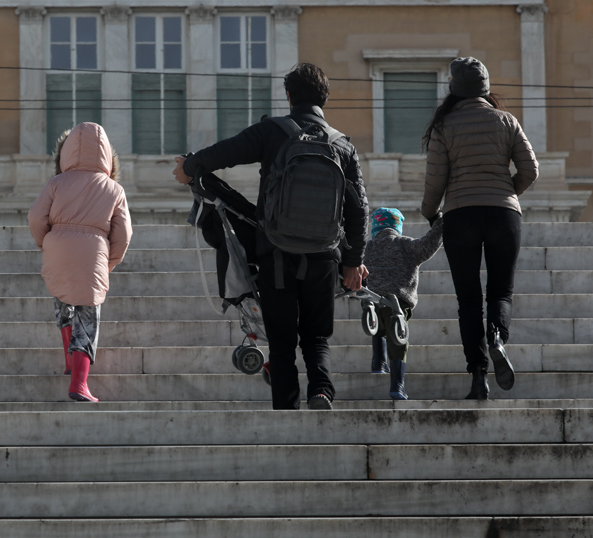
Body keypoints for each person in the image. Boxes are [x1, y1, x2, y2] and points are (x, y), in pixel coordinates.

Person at [173, 63, 369, 411]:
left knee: (281, 342)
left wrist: (189, 167)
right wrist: (354, 262)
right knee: (316, 337)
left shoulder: (272, 132)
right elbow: (359, 209)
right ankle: (321, 391)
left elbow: (224, 153)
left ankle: (286, 411)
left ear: (289, 96)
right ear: (325, 98)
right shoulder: (343, 146)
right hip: (325, 254)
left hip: (276, 252)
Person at [421, 57, 538, 400]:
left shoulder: (445, 125)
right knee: (501, 292)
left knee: (468, 300)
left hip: (461, 215)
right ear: (486, 87)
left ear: (454, 90)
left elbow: (435, 181)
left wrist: (431, 213)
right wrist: (505, 193)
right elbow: (530, 169)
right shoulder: (507, 121)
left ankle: (478, 377)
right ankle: (498, 337)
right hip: (504, 215)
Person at [28, 122, 132, 403]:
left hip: (57, 248)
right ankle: (79, 383)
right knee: (88, 316)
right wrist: (108, 264)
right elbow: (123, 235)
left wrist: (46, 244)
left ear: (66, 153)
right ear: (107, 156)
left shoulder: (56, 183)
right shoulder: (114, 189)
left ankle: (69, 361)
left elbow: (35, 218)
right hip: (93, 252)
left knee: (64, 305)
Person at [363, 207, 444, 400]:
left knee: (376, 323)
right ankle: (397, 385)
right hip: (398, 303)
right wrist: (441, 224)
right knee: (398, 340)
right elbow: (428, 244)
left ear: (375, 227)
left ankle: (378, 361)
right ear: (397, 226)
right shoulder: (406, 245)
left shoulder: (367, 247)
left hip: (372, 298)